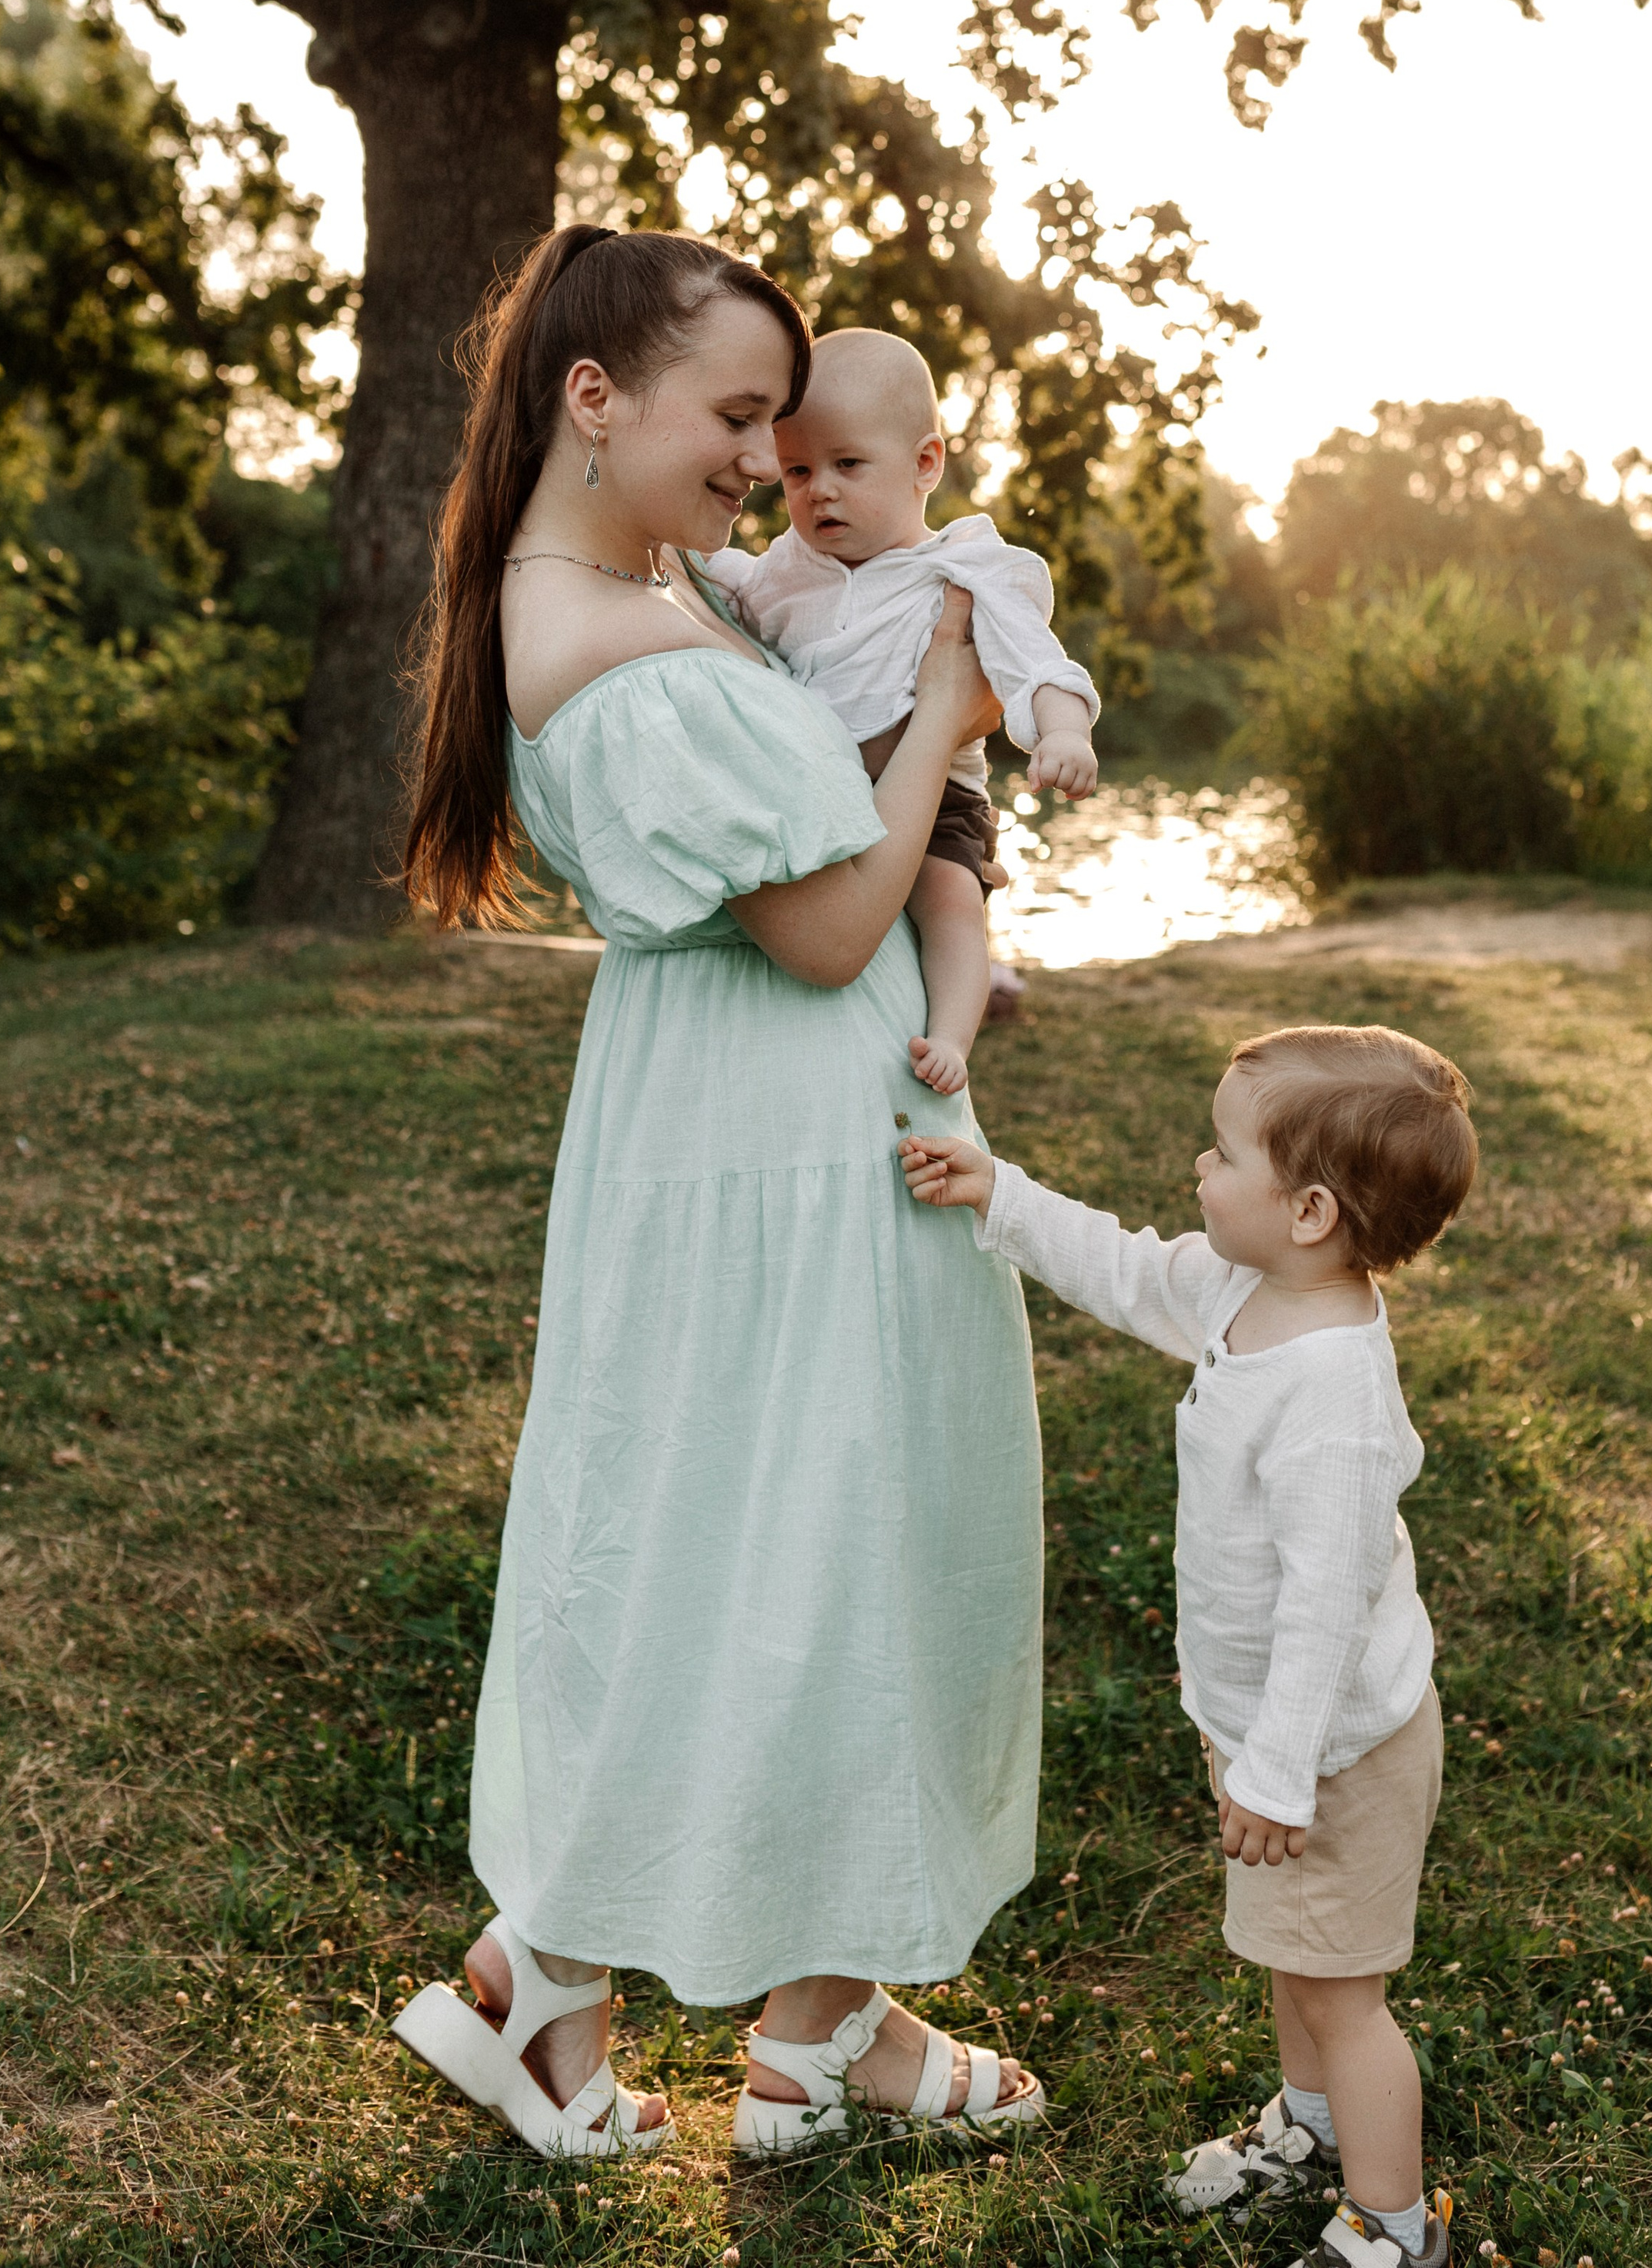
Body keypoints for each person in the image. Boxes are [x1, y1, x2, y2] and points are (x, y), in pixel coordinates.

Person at [392, 225, 1046, 2163]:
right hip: (767, 1150)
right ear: (595, 396)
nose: (767, 456)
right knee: (816, 1544)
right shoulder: (614, 648)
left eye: (779, 418)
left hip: (738, 1128)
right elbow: (836, 927)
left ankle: (672, 1996)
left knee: (764, 1542)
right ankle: (597, 1991)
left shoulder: (619, 572)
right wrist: (944, 709)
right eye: (738, 414)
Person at [901, 1022, 1479, 2267]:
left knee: (1343, 1990)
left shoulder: (1332, 1398)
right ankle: (1309, 2125)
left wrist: (1277, 1774)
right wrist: (1001, 1192)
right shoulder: (1244, 1290)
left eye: (1222, 1154)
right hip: (1267, 1740)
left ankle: (1390, 2226)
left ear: (1312, 1210)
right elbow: (1120, 1269)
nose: (1196, 1171)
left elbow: (1327, 1611)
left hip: (1334, 1754)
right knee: (1291, 1958)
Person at [705, 325, 1099, 1097]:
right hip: (825, 793)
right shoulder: (783, 574)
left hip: (938, 791)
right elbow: (726, 587)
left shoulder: (963, 568)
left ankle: (954, 1031)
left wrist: (1064, 728)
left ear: (925, 463)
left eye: (848, 464)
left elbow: (1034, 659)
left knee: (949, 898)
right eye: (797, 470)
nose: (820, 489)